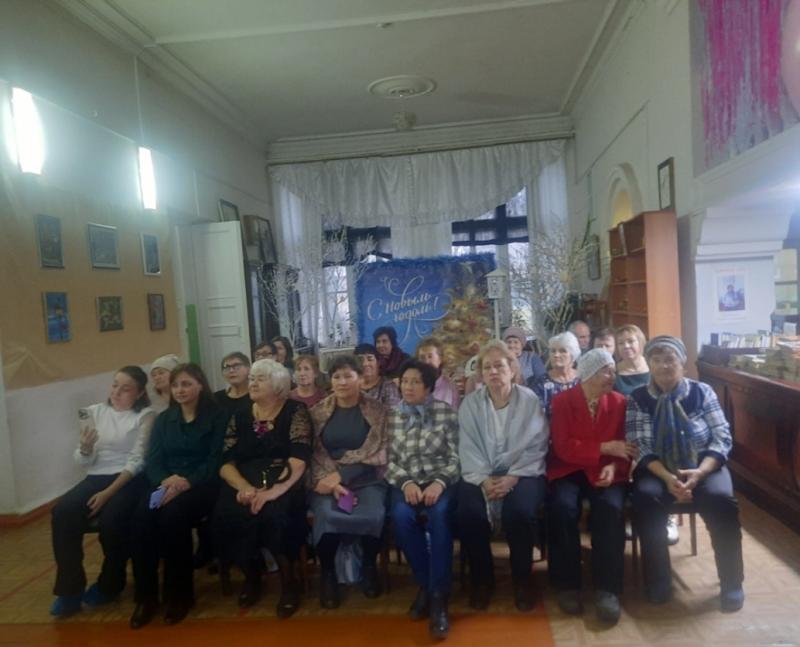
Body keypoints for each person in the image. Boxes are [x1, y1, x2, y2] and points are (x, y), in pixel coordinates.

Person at [627, 336, 744, 612]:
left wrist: (700, 473)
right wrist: (668, 478)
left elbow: (722, 436)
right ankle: (659, 581)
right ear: (649, 364)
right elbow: (640, 444)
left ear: (683, 363)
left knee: (721, 501)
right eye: (657, 360)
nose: (664, 366)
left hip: (703, 463)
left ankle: (732, 582)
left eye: (670, 359)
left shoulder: (702, 392)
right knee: (646, 499)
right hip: (658, 467)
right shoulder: (638, 398)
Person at [50, 367, 155, 618]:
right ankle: (70, 591)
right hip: (96, 476)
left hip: (128, 479)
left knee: (112, 522)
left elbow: (138, 460)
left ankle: (110, 584)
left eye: (125, 389)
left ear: (140, 393)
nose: (116, 392)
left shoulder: (146, 416)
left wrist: (108, 493)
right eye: (114, 385)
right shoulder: (94, 412)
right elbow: (84, 461)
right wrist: (85, 449)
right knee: (62, 513)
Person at [129, 363, 227, 629]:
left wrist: (186, 482)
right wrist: (166, 481)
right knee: (141, 517)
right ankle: (146, 597)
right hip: (166, 483)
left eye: (186, 384)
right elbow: (153, 460)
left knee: (173, 517)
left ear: (200, 385)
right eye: (175, 385)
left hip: (201, 485)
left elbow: (215, 460)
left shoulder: (217, 416)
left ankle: (179, 596)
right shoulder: (164, 419)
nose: (180, 390)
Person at [213, 359, 312, 618]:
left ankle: (289, 583)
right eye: (252, 378)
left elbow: (299, 458)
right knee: (228, 513)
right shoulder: (240, 414)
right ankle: (252, 575)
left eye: (260, 378)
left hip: (282, 478)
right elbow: (225, 461)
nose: (252, 383)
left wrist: (273, 491)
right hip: (244, 479)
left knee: (276, 514)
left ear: (278, 384)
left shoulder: (295, 410)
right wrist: (244, 487)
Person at [456, 340, 549, 612]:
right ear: (481, 374)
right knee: (469, 513)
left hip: (523, 471)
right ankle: (482, 581)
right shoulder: (470, 404)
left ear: (512, 369)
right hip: (480, 472)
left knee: (519, 512)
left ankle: (522, 580)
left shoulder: (529, 400)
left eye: (499, 365)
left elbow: (537, 443)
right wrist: (484, 479)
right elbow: (467, 446)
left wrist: (513, 477)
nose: (493, 371)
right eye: (487, 367)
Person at [547, 349, 635, 624]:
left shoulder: (620, 402)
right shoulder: (562, 402)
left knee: (610, 508)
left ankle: (608, 589)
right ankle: (567, 585)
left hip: (607, 471)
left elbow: (627, 447)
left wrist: (615, 466)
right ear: (589, 374)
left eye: (613, 371)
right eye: (606, 371)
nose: (612, 376)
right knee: (562, 508)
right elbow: (563, 447)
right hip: (569, 468)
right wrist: (605, 448)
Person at [308, 355, 389, 609]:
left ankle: (369, 566)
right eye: (336, 377)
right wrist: (331, 482)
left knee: (374, 513)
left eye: (348, 376)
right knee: (326, 515)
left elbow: (381, 451)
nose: (342, 382)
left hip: (366, 479)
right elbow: (313, 452)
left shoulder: (378, 411)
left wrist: (343, 476)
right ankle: (328, 573)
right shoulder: (317, 413)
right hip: (326, 479)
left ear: (360, 379)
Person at [387, 360, 459, 639]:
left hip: (440, 481)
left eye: (415, 382)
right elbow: (389, 461)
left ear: (428, 387)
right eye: (405, 381)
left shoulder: (446, 413)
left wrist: (439, 483)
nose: (408, 387)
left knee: (439, 517)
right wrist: (406, 483)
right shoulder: (393, 416)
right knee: (401, 517)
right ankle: (428, 585)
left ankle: (439, 598)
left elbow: (456, 457)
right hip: (406, 481)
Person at [615, 325, 680, 546]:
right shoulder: (614, 373)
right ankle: (632, 514)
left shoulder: (656, 368)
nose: (626, 346)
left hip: (655, 431)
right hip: (623, 431)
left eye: (631, 341)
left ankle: (667, 515)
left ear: (641, 343)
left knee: (661, 455)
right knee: (627, 460)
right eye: (621, 343)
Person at [528, 332, 581, 418]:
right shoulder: (540, 383)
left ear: (573, 355)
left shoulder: (584, 379)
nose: (556, 355)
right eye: (553, 351)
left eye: (562, 351)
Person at [415, 337, 460, 409]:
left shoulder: (450, 388)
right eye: (422, 357)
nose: (426, 362)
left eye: (430, 356)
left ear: (440, 358)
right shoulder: (411, 384)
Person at [356, 343, 401, 408]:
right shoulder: (352, 385)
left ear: (378, 362)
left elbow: (394, 412)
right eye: (360, 360)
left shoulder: (388, 386)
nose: (365, 364)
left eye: (370, 359)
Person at [214, 352, 252, 419]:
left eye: (236, 366)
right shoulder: (216, 398)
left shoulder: (256, 397)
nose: (231, 370)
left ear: (248, 369)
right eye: (227, 367)